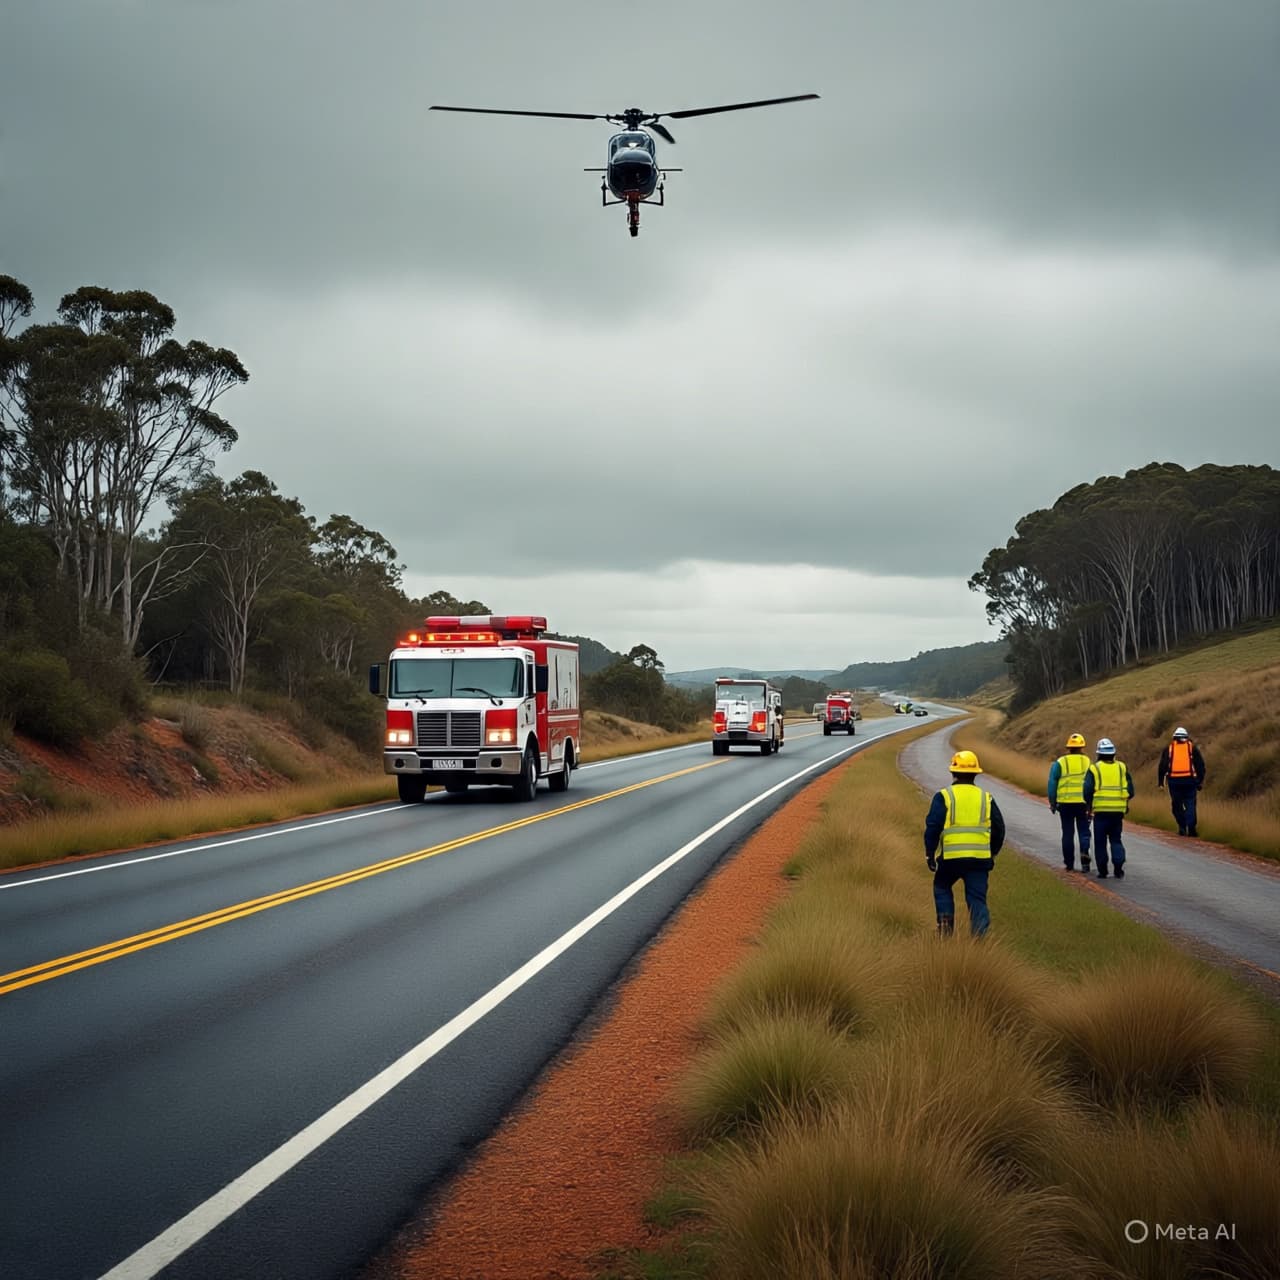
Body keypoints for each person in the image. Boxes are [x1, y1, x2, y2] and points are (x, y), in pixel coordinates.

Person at [924, 749, 1005, 936]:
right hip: (979, 861)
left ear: (953, 772)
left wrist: (930, 853)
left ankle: (945, 928)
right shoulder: (986, 798)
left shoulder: (944, 796)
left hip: (951, 859)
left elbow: (933, 827)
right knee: (977, 899)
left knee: (942, 886)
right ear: (976, 773)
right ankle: (980, 941)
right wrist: (991, 853)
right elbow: (999, 829)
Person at [1082, 737, 1134, 879]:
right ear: (1113, 754)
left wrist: (1088, 805)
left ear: (1098, 754)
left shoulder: (1094, 768)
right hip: (1118, 813)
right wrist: (1124, 803)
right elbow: (1130, 790)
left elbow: (1087, 790)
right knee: (1116, 840)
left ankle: (1103, 871)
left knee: (1100, 842)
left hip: (1101, 812)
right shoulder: (1121, 767)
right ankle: (1118, 868)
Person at [1048, 732, 1092, 872]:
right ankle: (1085, 855)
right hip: (1083, 803)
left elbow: (1052, 784)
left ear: (1068, 748)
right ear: (1082, 747)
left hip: (1065, 803)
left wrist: (1052, 802)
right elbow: (1091, 784)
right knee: (1084, 831)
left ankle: (1069, 863)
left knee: (1067, 833)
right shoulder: (1088, 762)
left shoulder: (1060, 763)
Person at [1157, 726, 1206, 837]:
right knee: (1190, 805)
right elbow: (1200, 766)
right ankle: (1191, 828)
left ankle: (1182, 827)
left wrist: (1160, 782)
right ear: (1187, 737)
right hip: (1190, 781)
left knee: (1177, 805)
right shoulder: (1192, 748)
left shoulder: (1169, 749)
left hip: (1174, 782)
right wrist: (1200, 781)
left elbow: (1162, 766)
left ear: (1174, 738)